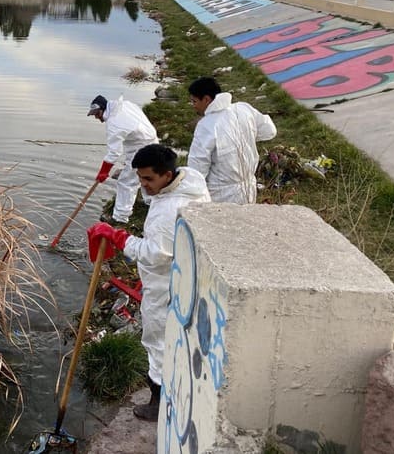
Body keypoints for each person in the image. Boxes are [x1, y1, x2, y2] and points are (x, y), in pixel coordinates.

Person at [87, 144, 211, 421]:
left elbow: (155, 254)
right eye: (140, 178)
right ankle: (179, 385)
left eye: (148, 179)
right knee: (177, 337)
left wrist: (121, 238)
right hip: (188, 274)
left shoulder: (169, 211)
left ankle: (159, 403)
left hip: (165, 285)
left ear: (167, 175)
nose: (143, 185)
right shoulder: (191, 182)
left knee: (156, 340)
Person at [186, 77, 277, 204]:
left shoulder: (206, 125)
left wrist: (191, 194)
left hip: (220, 193)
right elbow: (269, 131)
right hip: (248, 187)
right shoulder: (243, 108)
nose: (193, 106)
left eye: (194, 101)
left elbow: (197, 167)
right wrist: (247, 136)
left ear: (206, 99)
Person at [87, 94, 159, 224]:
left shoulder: (114, 123)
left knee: (126, 182)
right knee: (146, 175)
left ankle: (120, 217)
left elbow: (114, 152)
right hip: (151, 140)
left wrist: (104, 172)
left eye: (97, 114)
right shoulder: (125, 105)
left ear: (103, 109)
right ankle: (151, 202)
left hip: (141, 148)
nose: (97, 118)